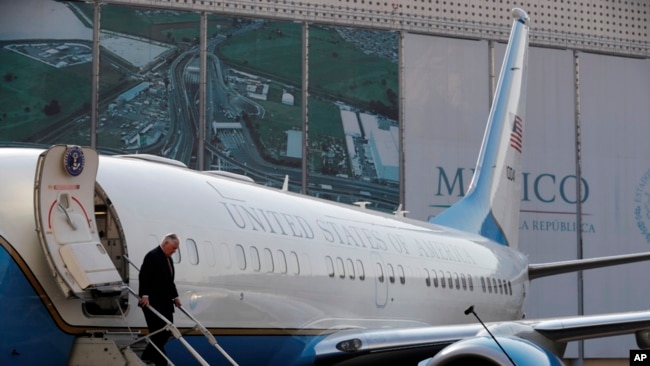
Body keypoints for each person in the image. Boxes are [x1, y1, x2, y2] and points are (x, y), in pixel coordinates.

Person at [138, 233, 183, 365]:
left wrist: (176, 297)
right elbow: (144, 276)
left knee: (167, 331)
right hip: (152, 303)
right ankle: (158, 360)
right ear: (165, 244)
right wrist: (144, 295)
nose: (175, 251)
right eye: (174, 248)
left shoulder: (168, 259)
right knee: (158, 332)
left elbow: (170, 281)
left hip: (165, 303)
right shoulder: (152, 256)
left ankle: (148, 355)